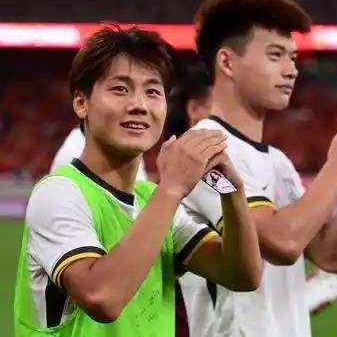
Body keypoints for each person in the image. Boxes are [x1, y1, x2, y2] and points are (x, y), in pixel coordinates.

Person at [180, 0, 337, 337]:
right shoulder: (202, 149)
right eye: (275, 55)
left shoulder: (278, 162)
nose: (291, 70)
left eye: (292, 57)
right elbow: (282, 243)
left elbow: (332, 256)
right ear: (227, 62)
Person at [13, 26, 263, 337]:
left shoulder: (152, 200)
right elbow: (102, 297)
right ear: (81, 103)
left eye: (153, 92)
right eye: (120, 89)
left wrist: (232, 192)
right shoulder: (59, 192)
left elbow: (242, 275)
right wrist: (172, 188)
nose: (139, 105)